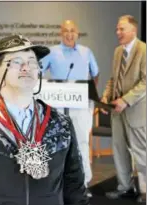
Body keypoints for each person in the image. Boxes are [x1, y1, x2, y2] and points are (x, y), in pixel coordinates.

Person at [0, 35, 91, 205]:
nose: (26, 67)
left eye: (32, 61)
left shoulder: (61, 124)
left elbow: (74, 189)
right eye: (16, 61)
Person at [40, 20, 99, 195]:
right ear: (61, 33)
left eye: (72, 30)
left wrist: (90, 95)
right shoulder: (51, 52)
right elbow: (39, 73)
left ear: (77, 33)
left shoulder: (86, 52)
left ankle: (83, 184)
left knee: (82, 143)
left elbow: (95, 75)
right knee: (57, 144)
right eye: (65, 30)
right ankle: (57, 185)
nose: (69, 34)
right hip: (57, 107)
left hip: (81, 107)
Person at [101, 15, 146, 203]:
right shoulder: (118, 51)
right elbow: (114, 78)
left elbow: (145, 81)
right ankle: (125, 187)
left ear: (133, 31)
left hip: (136, 110)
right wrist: (105, 96)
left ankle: (145, 191)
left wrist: (125, 100)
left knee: (142, 152)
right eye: (117, 29)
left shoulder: (144, 50)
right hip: (117, 112)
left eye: (122, 29)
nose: (117, 32)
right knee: (119, 150)